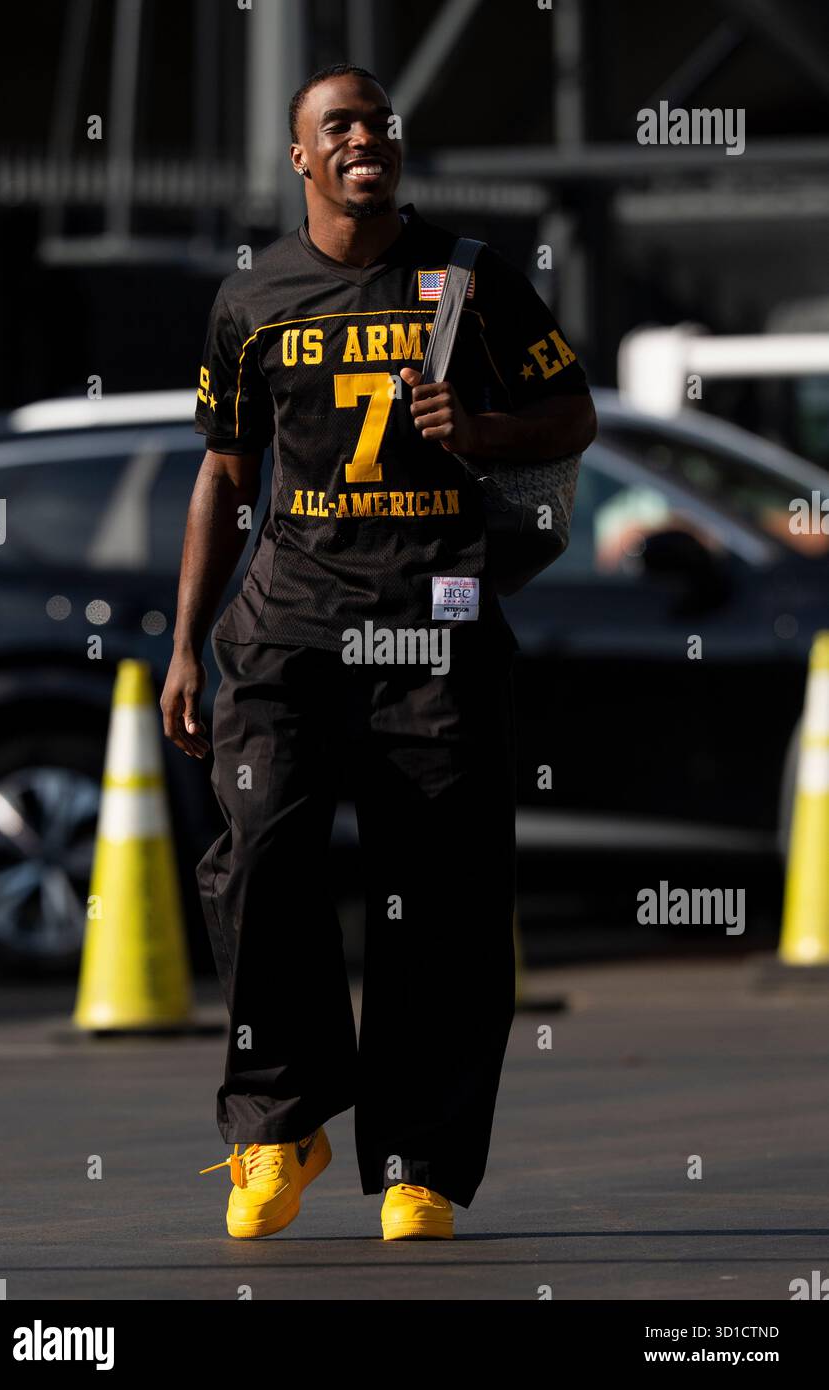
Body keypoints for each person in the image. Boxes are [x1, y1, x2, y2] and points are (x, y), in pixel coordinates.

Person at [161, 63, 596, 1241]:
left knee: (440, 898)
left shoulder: (470, 276)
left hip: (434, 623)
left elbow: (574, 419)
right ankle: (278, 1122)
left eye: (378, 121)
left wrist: (487, 426)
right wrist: (188, 642)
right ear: (301, 159)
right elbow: (222, 475)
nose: (363, 137)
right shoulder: (251, 298)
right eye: (335, 125)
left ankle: (417, 1162)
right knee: (256, 859)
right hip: (284, 628)